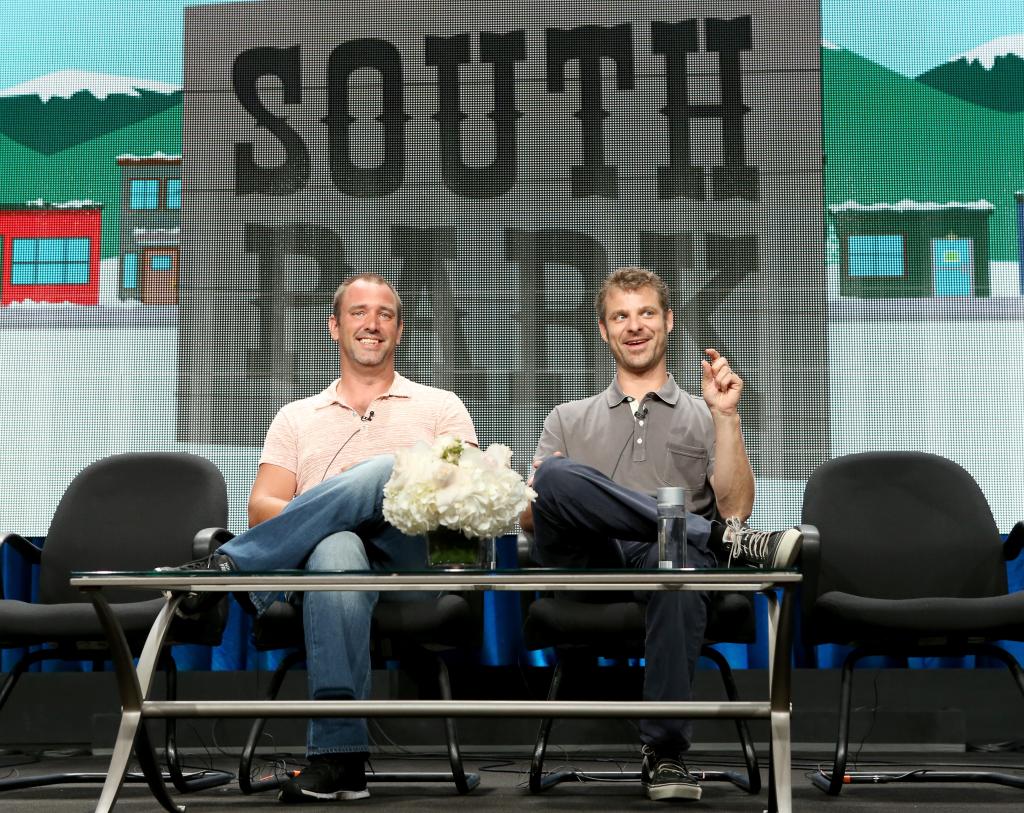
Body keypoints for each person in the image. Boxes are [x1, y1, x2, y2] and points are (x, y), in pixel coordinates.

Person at [176, 273, 477, 804]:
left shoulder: (440, 407)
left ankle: (230, 569)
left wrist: (367, 488)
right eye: (359, 312)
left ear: (400, 331)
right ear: (334, 327)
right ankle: (339, 760)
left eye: (385, 314)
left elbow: (464, 494)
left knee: (387, 466)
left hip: (410, 557)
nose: (372, 323)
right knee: (337, 546)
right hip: (326, 565)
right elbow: (262, 504)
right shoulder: (296, 417)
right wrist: (333, 515)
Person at [519, 266, 802, 802]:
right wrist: (542, 495)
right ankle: (712, 539)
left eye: (646, 313)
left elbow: (736, 507)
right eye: (621, 316)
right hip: (589, 564)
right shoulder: (567, 416)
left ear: (668, 321)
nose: (634, 326)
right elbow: (533, 517)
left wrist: (727, 417)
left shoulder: (704, 413)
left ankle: (665, 753)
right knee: (554, 477)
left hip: (669, 560)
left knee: (681, 564)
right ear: (604, 331)